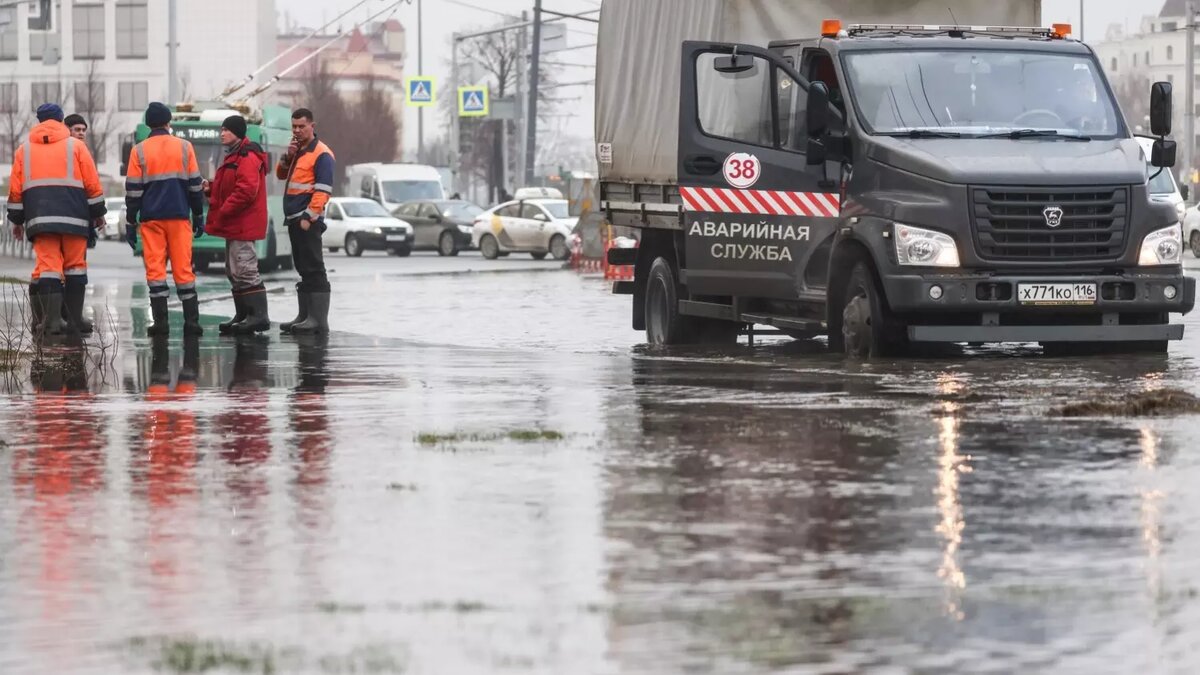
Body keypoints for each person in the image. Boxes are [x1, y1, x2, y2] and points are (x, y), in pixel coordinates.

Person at [6, 103, 106, 337]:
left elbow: (15, 191)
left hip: (41, 221)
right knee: (75, 268)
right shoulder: (76, 147)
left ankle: (51, 323)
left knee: (49, 269)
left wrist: (17, 221)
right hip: (75, 219)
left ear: (39, 121)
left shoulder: (24, 150)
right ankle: (73, 320)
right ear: (61, 121)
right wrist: (98, 213)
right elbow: (92, 185)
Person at [124, 102, 206, 336]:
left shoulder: (138, 151)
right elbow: (194, 185)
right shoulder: (184, 147)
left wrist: (131, 221)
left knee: (156, 270)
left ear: (149, 123)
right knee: (184, 270)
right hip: (180, 218)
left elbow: (133, 191)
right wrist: (198, 214)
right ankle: (192, 323)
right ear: (168, 122)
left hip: (152, 220)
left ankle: (161, 324)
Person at [206, 115, 270, 334]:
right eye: (221, 129)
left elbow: (246, 191)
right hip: (236, 224)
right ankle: (244, 315)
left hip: (242, 224)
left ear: (237, 133)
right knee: (233, 270)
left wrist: (224, 210)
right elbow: (231, 185)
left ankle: (258, 317)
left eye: (227, 130)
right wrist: (211, 189)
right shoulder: (235, 155)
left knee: (244, 269)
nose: (222, 133)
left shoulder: (247, 156)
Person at [276, 108, 335, 335]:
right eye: (294, 127)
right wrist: (287, 157)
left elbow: (323, 189)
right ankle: (305, 316)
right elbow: (281, 175)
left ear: (312, 126)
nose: (298, 130)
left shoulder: (321, 153)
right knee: (303, 268)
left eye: (302, 126)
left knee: (313, 267)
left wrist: (309, 216)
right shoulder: (298, 151)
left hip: (306, 219)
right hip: (293, 218)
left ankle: (318, 320)